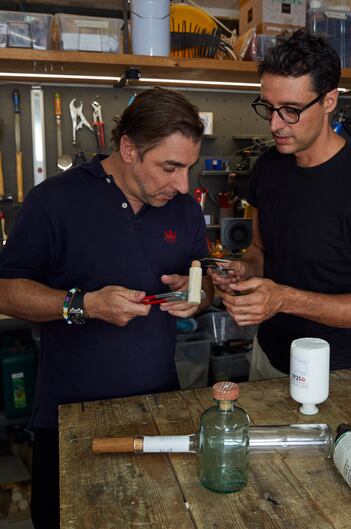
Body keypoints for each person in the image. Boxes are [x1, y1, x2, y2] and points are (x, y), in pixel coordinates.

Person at [0, 87, 213, 529]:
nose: (183, 184)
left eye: (188, 168)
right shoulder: (55, 201)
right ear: (129, 149)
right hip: (68, 416)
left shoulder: (185, 212)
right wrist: (85, 305)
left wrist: (198, 296)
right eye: (170, 167)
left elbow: (205, 282)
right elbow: (6, 291)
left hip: (159, 409)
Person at [210, 29, 351, 380]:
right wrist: (244, 270)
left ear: (329, 101)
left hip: (333, 374)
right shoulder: (268, 166)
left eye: (291, 111)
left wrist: (283, 299)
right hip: (266, 356)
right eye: (268, 108)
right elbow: (259, 250)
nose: (275, 124)